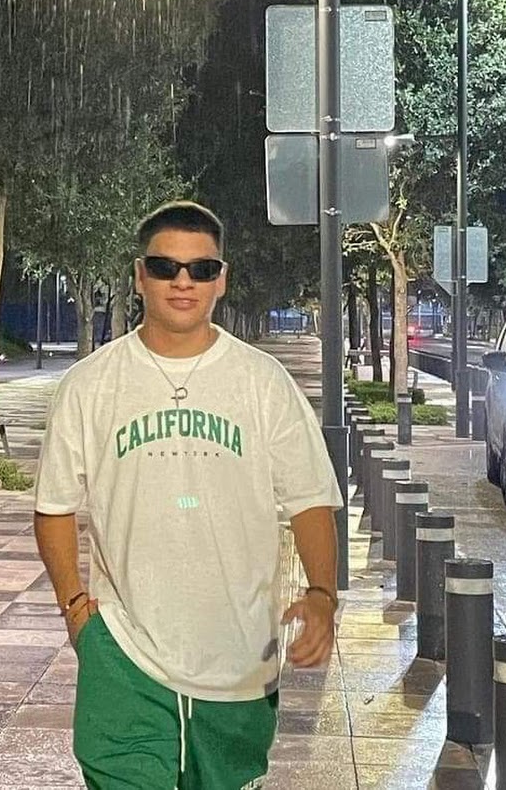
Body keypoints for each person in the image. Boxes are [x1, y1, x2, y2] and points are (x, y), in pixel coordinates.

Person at [34, 200, 343, 790]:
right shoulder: (90, 385)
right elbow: (53, 507)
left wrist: (322, 595)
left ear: (221, 279)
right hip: (123, 654)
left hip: (238, 660)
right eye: (165, 267)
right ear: (139, 275)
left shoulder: (263, 383)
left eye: (201, 269)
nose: (183, 282)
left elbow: (309, 501)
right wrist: (76, 610)